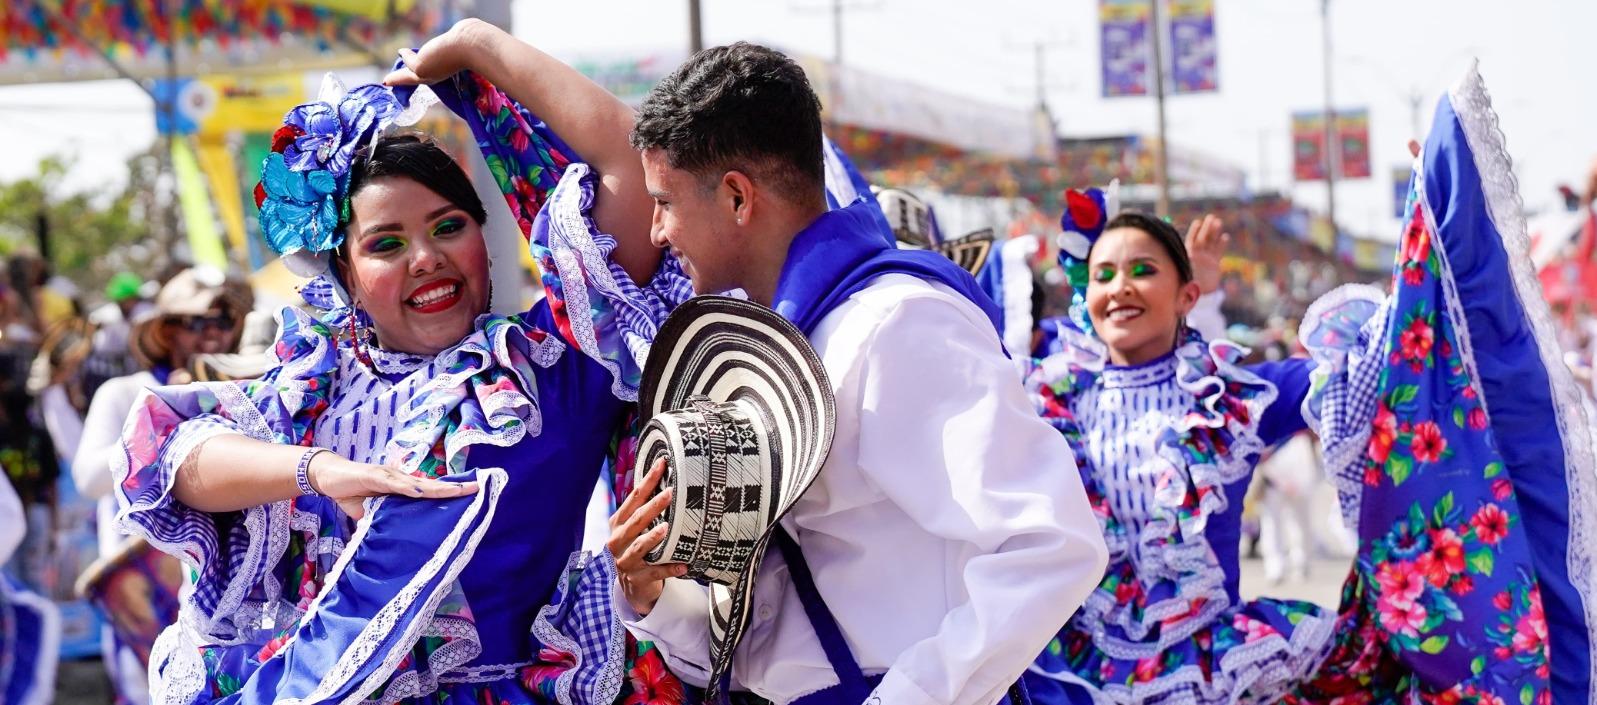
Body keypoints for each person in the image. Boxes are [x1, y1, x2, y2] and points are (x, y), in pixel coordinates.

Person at [389, 22, 1109, 705]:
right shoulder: (765, 348)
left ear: (736, 196)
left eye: (665, 202)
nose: (658, 229)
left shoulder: (894, 324)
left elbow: (1049, 544)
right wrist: (654, 595)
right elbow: (761, 631)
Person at [110, 68, 693, 705]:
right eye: (386, 244)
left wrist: (478, 49)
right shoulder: (314, 391)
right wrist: (319, 470)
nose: (426, 257)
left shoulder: (549, 367)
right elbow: (173, 454)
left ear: (486, 242)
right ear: (347, 276)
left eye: (448, 227)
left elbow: (635, 167)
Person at [1018, 67, 1596, 705]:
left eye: (1142, 270)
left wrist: (1424, 239)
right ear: (1085, 295)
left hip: (1215, 675)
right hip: (1073, 670)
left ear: (1188, 294)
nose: (1120, 286)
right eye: (1103, 275)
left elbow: (1383, 368)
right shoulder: (1043, 402)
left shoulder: (1235, 396)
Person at [74, 266, 248, 704]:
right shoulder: (124, 392)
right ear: (167, 331)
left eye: (222, 320)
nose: (211, 333)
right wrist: (165, 420)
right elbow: (89, 478)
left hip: (225, 591)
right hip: (146, 591)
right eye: (194, 322)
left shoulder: (242, 389)